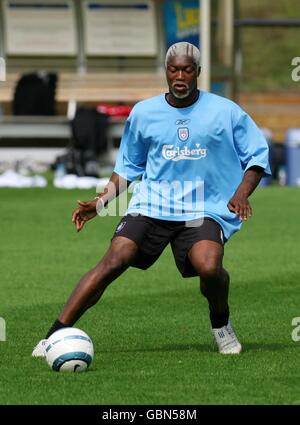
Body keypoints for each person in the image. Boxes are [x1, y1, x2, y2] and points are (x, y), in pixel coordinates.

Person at [32, 42, 271, 357]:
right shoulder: (144, 112)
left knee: (210, 267)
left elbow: (256, 156)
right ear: (166, 71)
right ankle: (54, 335)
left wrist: (241, 193)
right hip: (153, 204)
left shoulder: (225, 111)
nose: (180, 76)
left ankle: (221, 323)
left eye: (187, 69)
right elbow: (128, 168)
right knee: (115, 259)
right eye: (174, 69)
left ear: (198, 72)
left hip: (203, 207)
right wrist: (101, 202)